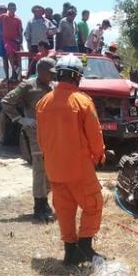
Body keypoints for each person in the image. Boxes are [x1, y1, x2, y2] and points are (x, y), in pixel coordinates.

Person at [36, 55, 106, 265]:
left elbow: (41, 139)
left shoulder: (43, 102)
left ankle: (70, 252)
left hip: (54, 168)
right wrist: (99, 154)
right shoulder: (82, 101)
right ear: (77, 77)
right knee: (93, 204)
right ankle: (85, 247)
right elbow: (95, 135)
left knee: (65, 209)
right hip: (78, 167)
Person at [2, 58, 57, 222]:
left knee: (51, 171)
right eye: (50, 73)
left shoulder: (53, 86)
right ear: (40, 71)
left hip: (53, 135)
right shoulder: (28, 86)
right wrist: (21, 119)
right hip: (36, 134)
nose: (52, 76)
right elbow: (7, 102)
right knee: (40, 170)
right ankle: (39, 206)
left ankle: (44, 200)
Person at [0, 2, 23, 81]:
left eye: (1, 10)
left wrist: (21, 42)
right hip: (3, 40)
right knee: (5, 57)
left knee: (14, 56)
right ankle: (8, 75)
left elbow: (20, 31)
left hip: (14, 40)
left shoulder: (16, 19)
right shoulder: (2, 17)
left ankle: (15, 74)